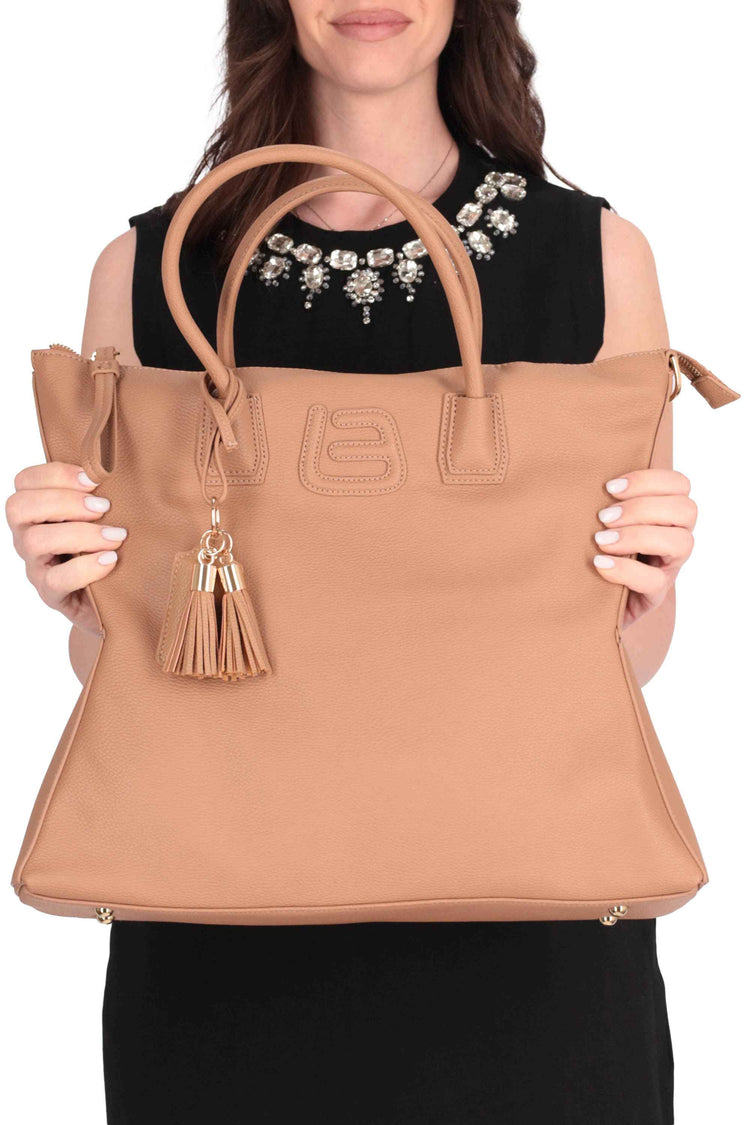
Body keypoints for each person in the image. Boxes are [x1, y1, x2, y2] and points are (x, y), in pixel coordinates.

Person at [6, 2, 697, 1121]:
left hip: (535, 957)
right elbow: (128, 674)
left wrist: (646, 587)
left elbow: (635, 657)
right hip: (218, 956)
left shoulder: (597, 257)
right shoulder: (147, 270)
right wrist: (77, 598)